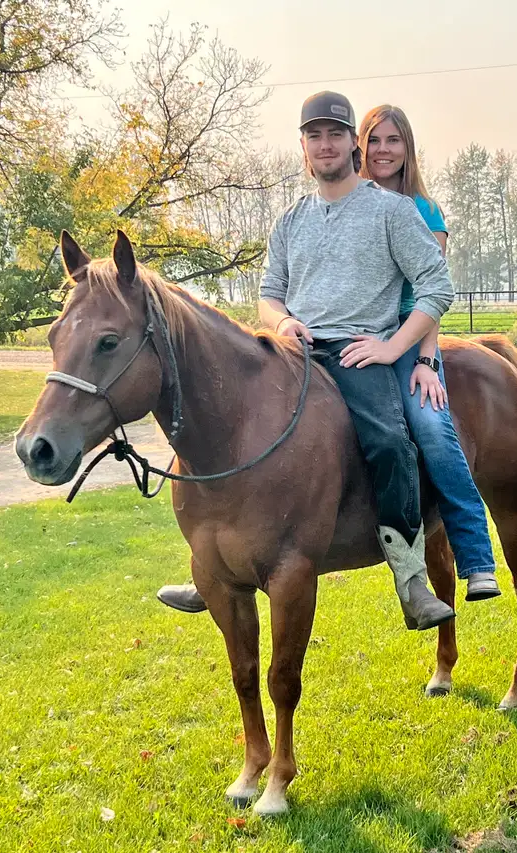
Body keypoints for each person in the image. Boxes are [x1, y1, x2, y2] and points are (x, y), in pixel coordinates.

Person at [158, 91, 455, 631]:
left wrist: (392, 346)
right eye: (314, 135)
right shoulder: (290, 220)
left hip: (357, 354)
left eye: (335, 134)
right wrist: (280, 322)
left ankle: (410, 575)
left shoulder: (390, 211)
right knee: (226, 429)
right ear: (303, 146)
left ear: (352, 145)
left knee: (390, 441)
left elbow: (437, 285)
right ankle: (210, 564)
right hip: (294, 350)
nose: (325, 144)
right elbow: (269, 294)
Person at [357, 105, 500, 601]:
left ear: (407, 148)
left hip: (406, 335)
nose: (383, 150)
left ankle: (477, 556)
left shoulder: (425, 212)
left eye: (393, 140)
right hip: (352, 333)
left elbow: (430, 295)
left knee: (433, 426)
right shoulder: (348, 206)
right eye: (374, 140)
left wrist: (425, 359)